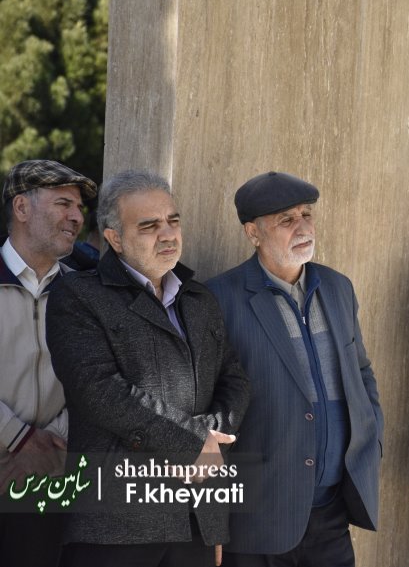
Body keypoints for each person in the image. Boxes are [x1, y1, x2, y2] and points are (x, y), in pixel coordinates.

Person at [44, 170, 250, 567]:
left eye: (173, 220)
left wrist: (212, 441)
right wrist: (192, 443)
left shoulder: (200, 299)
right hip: (116, 524)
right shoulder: (77, 296)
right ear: (114, 238)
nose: (168, 234)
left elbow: (234, 379)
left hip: (196, 516)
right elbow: (99, 391)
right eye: (149, 226)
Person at [206, 171, 384, 567]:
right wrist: (212, 516)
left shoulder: (338, 287)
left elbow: (361, 371)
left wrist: (372, 441)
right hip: (258, 518)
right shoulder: (219, 298)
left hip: (332, 512)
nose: (302, 227)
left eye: (306, 215)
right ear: (253, 233)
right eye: (286, 220)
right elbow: (208, 406)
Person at [0, 160, 96, 567]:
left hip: (49, 478)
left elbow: (96, 381)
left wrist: (52, 444)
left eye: (79, 208)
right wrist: (19, 440)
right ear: (21, 208)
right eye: (63, 204)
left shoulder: (86, 292)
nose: (76, 217)